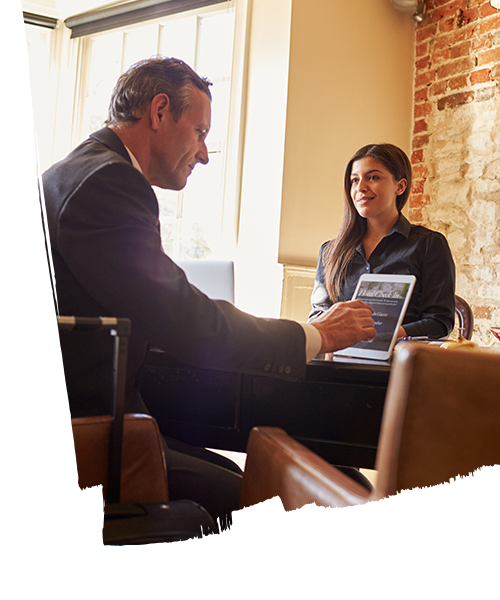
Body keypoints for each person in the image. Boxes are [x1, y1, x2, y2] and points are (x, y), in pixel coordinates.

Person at [9, 57, 376, 541]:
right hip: (60, 439)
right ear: (160, 112)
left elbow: (163, 307)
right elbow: (188, 320)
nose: (204, 153)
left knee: (245, 478)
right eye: (200, 132)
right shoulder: (106, 182)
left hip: (86, 421)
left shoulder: (87, 173)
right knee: (275, 503)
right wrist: (316, 333)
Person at [309, 143, 456, 340]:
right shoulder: (329, 251)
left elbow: (439, 321)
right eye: (354, 180)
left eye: (373, 177)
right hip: (338, 360)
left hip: (400, 363)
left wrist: (386, 336)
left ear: (400, 186)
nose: (360, 187)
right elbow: (319, 315)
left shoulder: (429, 245)